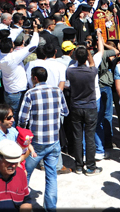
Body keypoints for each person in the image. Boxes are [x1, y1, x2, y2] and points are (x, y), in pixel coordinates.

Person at [19, 66, 70, 210]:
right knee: (52, 176)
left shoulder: (31, 93)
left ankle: (22, 203)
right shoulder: (57, 91)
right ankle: (50, 208)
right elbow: (65, 112)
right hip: (54, 141)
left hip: (36, 143)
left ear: (35, 78)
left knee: (25, 173)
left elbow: (22, 119)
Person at [65, 45, 101, 174]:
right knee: (90, 137)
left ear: (75, 57)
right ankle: (91, 166)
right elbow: (92, 63)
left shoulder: (70, 71)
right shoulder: (92, 71)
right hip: (90, 106)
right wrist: (88, 54)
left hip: (75, 107)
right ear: (87, 57)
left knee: (77, 137)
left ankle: (79, 165)